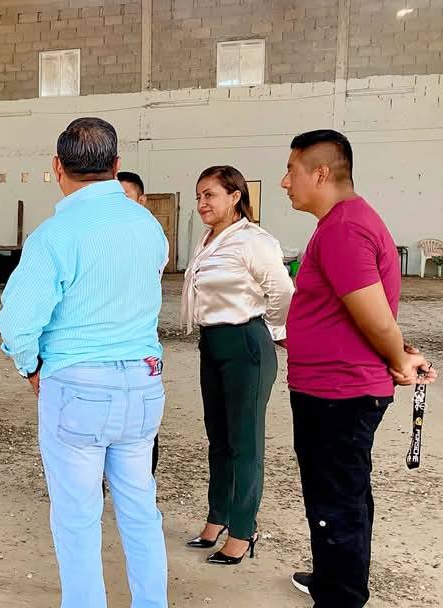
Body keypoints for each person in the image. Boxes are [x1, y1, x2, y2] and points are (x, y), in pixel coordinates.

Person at [0, 118, 169, 608]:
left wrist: (31, 367)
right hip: (142, 384)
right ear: (116, 165)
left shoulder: (54, 235)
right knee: (141, 509)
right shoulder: (148, 227)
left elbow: (17, 324)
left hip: (77, 387)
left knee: (77, 517)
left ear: (57, 168)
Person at [281, 129, 437, 606]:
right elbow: (361, 312)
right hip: (333, 387)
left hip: (338, 393)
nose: (285, 182)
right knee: (339, 495)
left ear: (320, 173)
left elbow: (373, 315)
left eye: (291, 171)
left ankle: (341, 596)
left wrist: (399, 359)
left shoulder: (344, 228)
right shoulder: (343, 223)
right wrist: (399, 352)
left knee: (336, 502)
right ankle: (334, 580)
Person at [181, 166, 294, 565]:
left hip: (245, 342)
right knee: (219, 438)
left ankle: (244, 530)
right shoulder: (207, 239)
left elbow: (282, 290)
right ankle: (218, 516)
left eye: (210, 195)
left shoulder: (253, 240)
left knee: (245, 443)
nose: (202, 203)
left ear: (235, 197)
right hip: (212, 342)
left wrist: (274, 329)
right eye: (198, 196)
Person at [115, 170, 159, 476]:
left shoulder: (149, 235)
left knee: (141, 425)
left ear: (142, 200)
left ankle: (143, 481)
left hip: (138, 347)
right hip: (104, 350)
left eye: (126, 198)